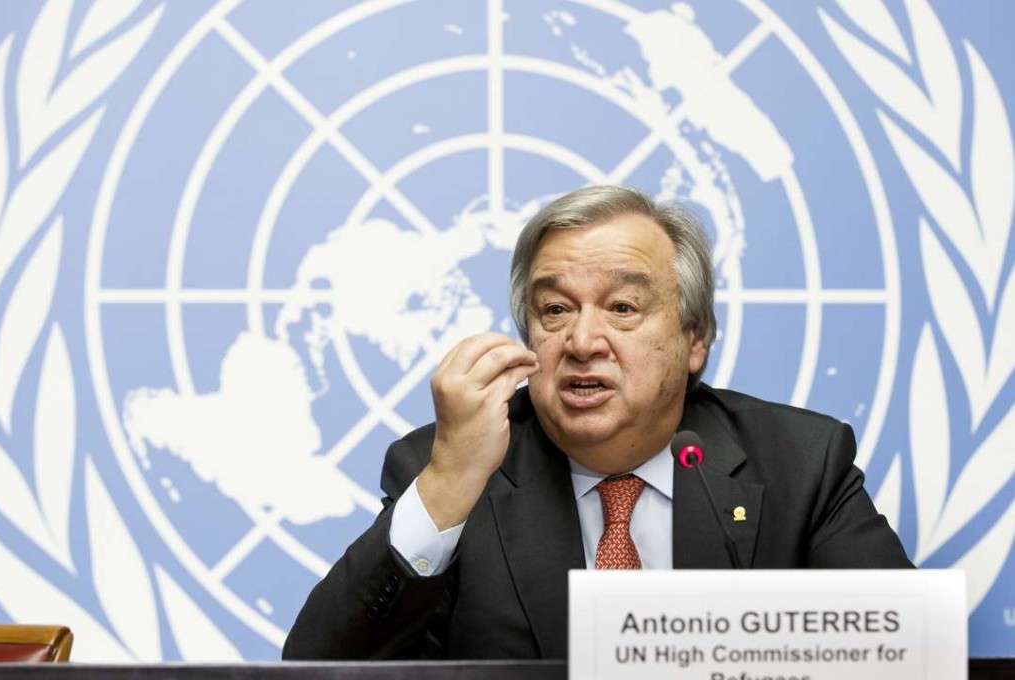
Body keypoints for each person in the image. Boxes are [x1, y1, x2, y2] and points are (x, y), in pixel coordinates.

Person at [283, 185, 912, 661]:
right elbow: (319, 670)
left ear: (695, 338)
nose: (582, 341)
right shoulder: (453, 470)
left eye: (623, 307)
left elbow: (908, 653)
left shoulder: (799, 463)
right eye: (555, 310)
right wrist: (448, 481)